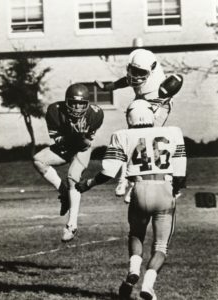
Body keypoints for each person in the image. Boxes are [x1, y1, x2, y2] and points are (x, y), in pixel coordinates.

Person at [76, 100, 187, 300]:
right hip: (164, 188)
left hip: (140, 189)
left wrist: (88, 184)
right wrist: (175, 190)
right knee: (161, 247)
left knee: (136, 235)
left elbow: (108, 172)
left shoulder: (121, 135)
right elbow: (180, 173)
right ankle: (148, 286)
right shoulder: (173, 132)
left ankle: (133, 271)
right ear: (151, 115)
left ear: (129, 117)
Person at [95, 48, 183, 201]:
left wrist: (153, 112)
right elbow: (126, 80)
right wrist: (108, 88)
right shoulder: (138, 73)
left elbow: (165, 98)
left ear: (152, 69)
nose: (135, 76)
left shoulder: (158, 86)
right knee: (131, 140)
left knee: (144, 142)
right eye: (133, 70)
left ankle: (134, 184)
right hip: (142, 102)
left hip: (158, 105)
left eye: (140, 72)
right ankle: (126, 181)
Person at [33, 83, 104, 242]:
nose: (78, 108)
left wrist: (81, 138)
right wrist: (72, 137)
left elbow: (85, 143)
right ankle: (64, 193)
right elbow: (58, 139)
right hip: (65, 145)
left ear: (87, 104)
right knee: (38, 160)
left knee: (73, 179)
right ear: (67, 102)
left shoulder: (96, 114)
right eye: (74, 103)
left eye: (81, 104)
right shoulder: (54, 111)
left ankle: (72, 225)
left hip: (82, 148)